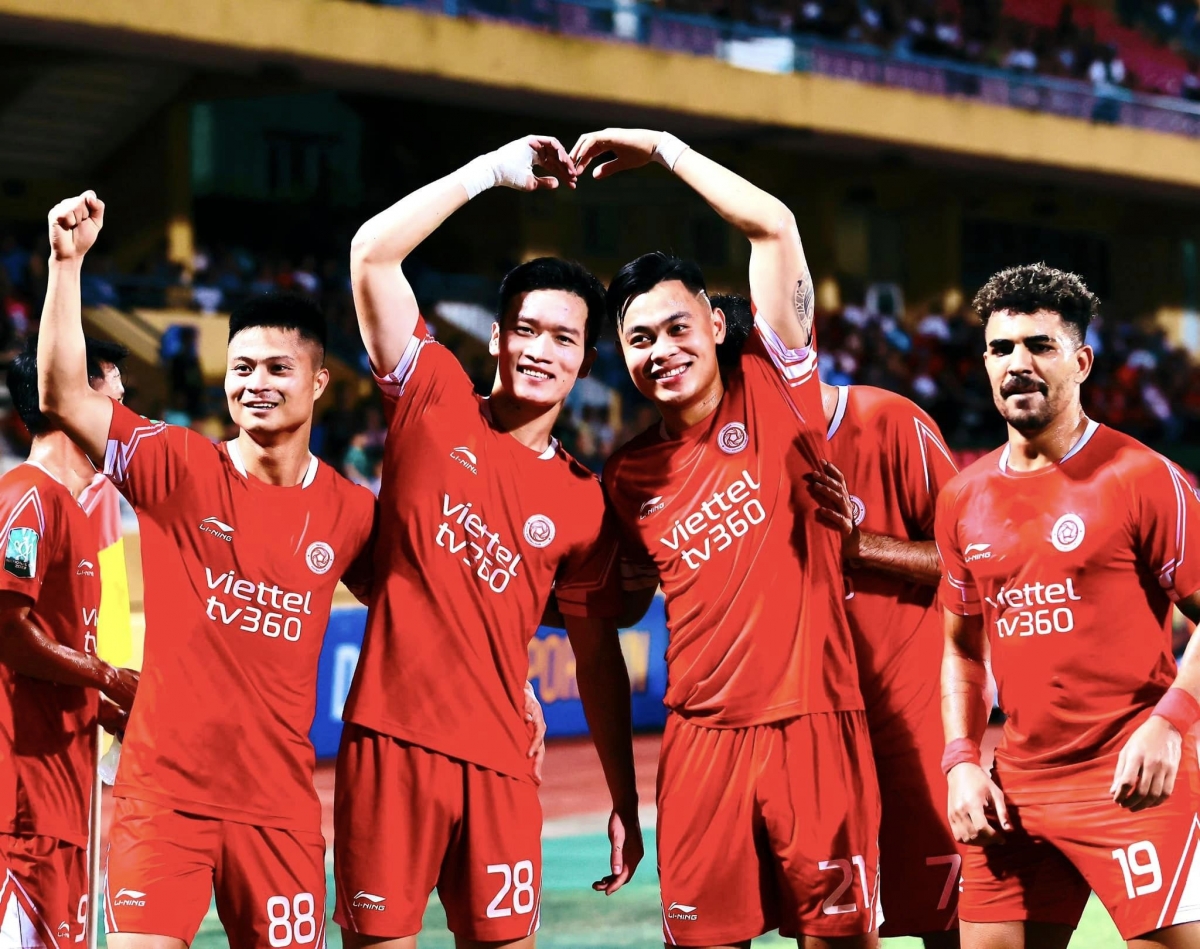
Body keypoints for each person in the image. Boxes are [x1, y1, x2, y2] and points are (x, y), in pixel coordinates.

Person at [35, 190, 381, 949]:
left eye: (279, 368)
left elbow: (424, 615)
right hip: (162, 802)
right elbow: (62, 394)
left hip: (279, 813)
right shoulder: (177, 465)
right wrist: (66, 264)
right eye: (242, 366)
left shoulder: (353, 513)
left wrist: (512, 686)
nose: (256, 382)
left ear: (320, 382)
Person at [335, 135, 643, 949]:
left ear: (585, 361)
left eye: (563, 338)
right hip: (389, 744)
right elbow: (371, 254)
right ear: (497, 338)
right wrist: (487, 173)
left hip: (503, 762)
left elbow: (595, 655)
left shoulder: (585, 503)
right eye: (525, 330)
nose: (540, 350)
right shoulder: (432, 394)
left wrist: (623, 795)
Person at [585, 129, 879, 948]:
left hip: (813, 721)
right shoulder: (626, 476)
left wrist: (663, 147)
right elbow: (614, 606)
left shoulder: (776, 380)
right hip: (699, 744)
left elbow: (775, 226)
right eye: (640, 339)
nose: (662, 350)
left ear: (717, 323)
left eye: (677, 327)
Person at [936, 263, 1200, 948]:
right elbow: (962, 649)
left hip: (1132, 778)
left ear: (1081, 362)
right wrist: (962, 760)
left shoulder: (1144, 477)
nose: (1017, 364)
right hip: (1017, 788)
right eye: (1001, 349)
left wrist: (1171, 723)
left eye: (1040, 346)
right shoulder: (962, 498)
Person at [716, 293, 963, 946]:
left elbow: (973, 559)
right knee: (828, 925)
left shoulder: (889, 420)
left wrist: (860, 546)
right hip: (809, 731)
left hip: (911, 725)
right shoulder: (734, 460)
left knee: (948, 919)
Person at [0, 336, 137, 946]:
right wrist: (108, 676)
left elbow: (46, 652)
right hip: (23, 807)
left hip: (60, 801)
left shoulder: (76, 510)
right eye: (115, 402)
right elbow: (7, 633)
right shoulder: (27, 498)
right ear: (67, 399)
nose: (123, 421)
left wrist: (107, 708)